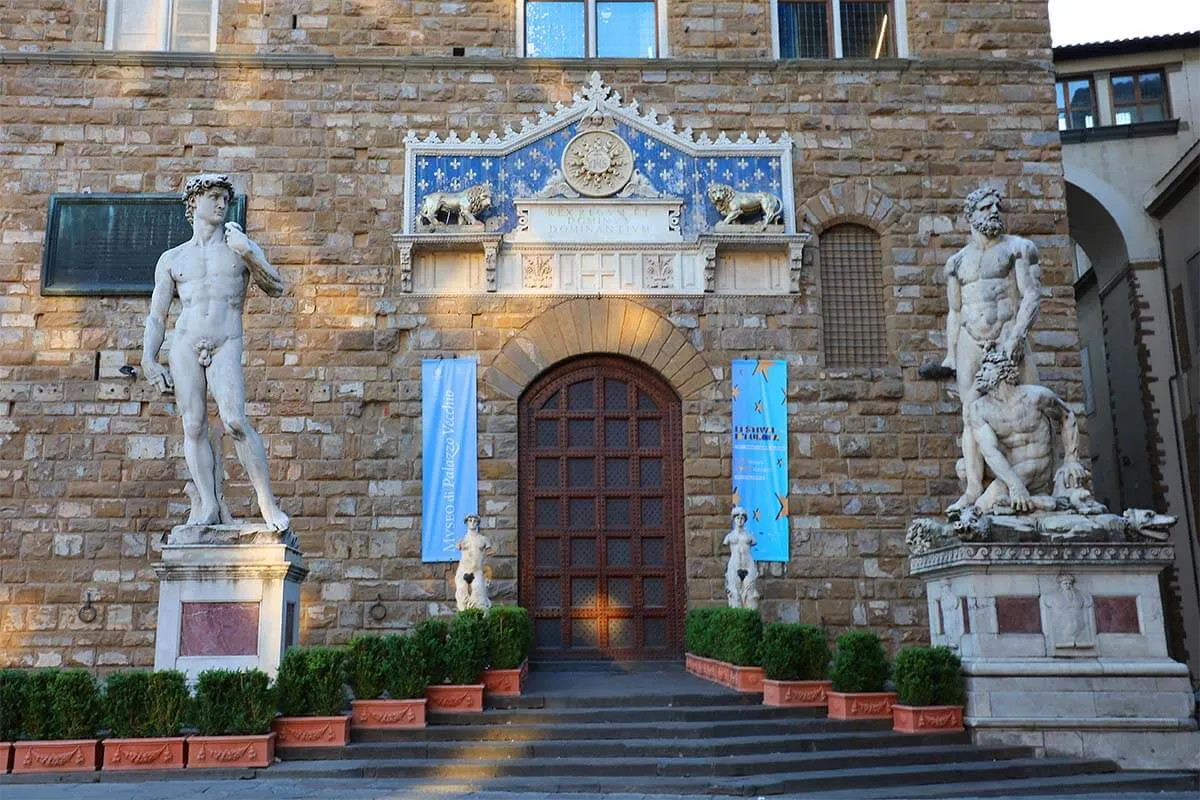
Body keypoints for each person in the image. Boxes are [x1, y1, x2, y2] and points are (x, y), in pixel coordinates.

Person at [141, 174, 289, 531]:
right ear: (195, 204)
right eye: (214, 197)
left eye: (225, 198)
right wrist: (149, 358)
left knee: (235, 421)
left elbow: (277, 287)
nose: (222, 204)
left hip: (225, 341)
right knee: (193, 425)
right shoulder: (173, 258)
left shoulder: (239, 247)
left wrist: (250, 252)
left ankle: (266, 502)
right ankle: (208, 504)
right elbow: (157, 315)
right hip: (185, 343)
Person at [943, 187, 1043, 513]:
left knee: (1028, 398)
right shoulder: (956, 262)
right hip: (970, 340)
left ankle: (1036, 474)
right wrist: (949, 352)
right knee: (970, 414)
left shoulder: (1018, 249)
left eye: (997, 206)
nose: (994, 211)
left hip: (1007, 333)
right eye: (986, 207)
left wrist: (1015, 338)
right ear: (971, 215)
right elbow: (954, 312)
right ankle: (973, 489)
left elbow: (1031, 296)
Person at [961, 349, 1089, 513]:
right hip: (1013, 474)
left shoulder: (1035, 397)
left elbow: (1066, 416)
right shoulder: (979, 409)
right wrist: (1016, 486)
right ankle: (1038, 503)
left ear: (1002, 372)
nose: (979, 374)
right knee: (971, 480)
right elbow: (990, 452)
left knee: (983, 506)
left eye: (986, 369)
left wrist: (1072, 460)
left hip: (1039, 468)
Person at [723, 506, 759, 610]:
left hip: (748, 566)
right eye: (737, 517)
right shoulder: (729, 537)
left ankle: (750, 622)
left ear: (745, 519)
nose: (740, 519)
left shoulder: (750, 536)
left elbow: (754, 542)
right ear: (734, 519)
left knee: (751, 596)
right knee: (734, 595)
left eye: (742, 517)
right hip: (734, 566)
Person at [455, 514, 492, 611]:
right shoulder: (462, 540)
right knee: (462, 594)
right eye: (470, 520)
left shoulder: (483, 539)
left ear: (478, 523)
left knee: (479, 592)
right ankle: (464, 618)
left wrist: (487, 573)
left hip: (477, 570)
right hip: (463, 570)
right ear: (466, 522)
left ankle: (480, 618)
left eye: (475, 521)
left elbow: (489, 553)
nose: (472, 523)